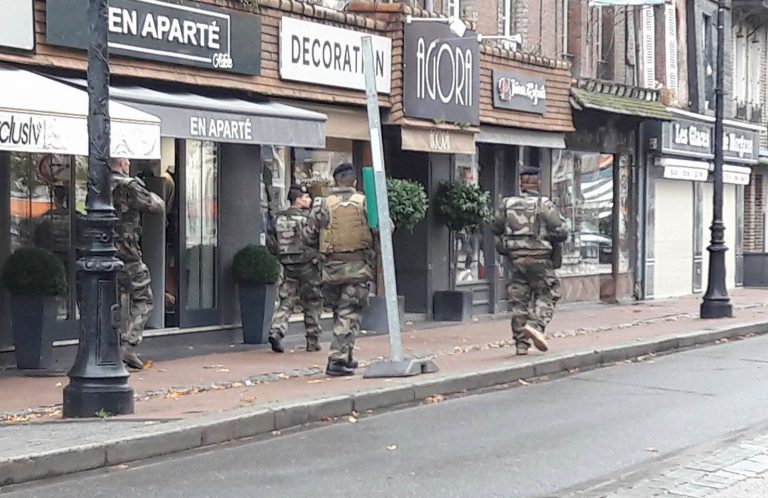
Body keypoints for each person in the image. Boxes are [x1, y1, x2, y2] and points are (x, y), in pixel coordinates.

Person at [302, 163, 375, 376]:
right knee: (349, 313)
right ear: (353, 182)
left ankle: (347, 355)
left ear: (335, 181)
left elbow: (307, 237)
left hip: (330, 268)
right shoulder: (365, 202)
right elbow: (383, 229)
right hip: (357, 267)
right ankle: (337, 360)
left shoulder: (322, 204)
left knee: (341, 313)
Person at [492, 166, 567, 355]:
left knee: (519, 301)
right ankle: (536, 325)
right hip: (540, 259)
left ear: (520, 184)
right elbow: (561, 231)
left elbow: (495, 227)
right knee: (550, 292)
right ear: (538, 183)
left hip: (516, 260)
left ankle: (521, 344)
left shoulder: (507, 204)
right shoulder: (544, 204)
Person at [111, 157, 165, 370]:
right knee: (144, 299)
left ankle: (109, 347)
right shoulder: (129, 185)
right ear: (123, 163)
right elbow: (156, 205)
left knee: (110, 301)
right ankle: (129, 345)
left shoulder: (97, 183)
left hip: (102, 253)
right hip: (127, 252)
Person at [267, 184, 323, 353]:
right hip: (308, 265)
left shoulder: (278, 218)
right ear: (298, 200)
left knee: (287, 300)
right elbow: (316, 238)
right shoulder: (306, 219)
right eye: (306, 197)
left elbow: (271, 241)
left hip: (287, 265)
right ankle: (313, 341)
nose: (309, 200)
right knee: (312, 301)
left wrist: (280, 256)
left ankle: (277, 330)